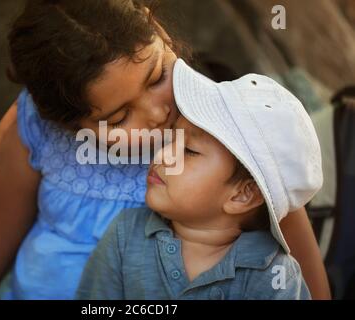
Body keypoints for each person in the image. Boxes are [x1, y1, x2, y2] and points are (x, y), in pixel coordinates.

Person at [0, 0, 331, 299]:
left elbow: (298, 269)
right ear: (67, 125)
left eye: (156, 75)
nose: (158, 114)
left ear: (156, 26)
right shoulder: (35, 126)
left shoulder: (233, 121)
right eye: (120, 118)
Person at [76, 59, 321, 299]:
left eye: (189, 151)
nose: (163, 155)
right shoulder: (126, 235)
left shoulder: (275, 279)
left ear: (242, 194)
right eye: (170, 139)